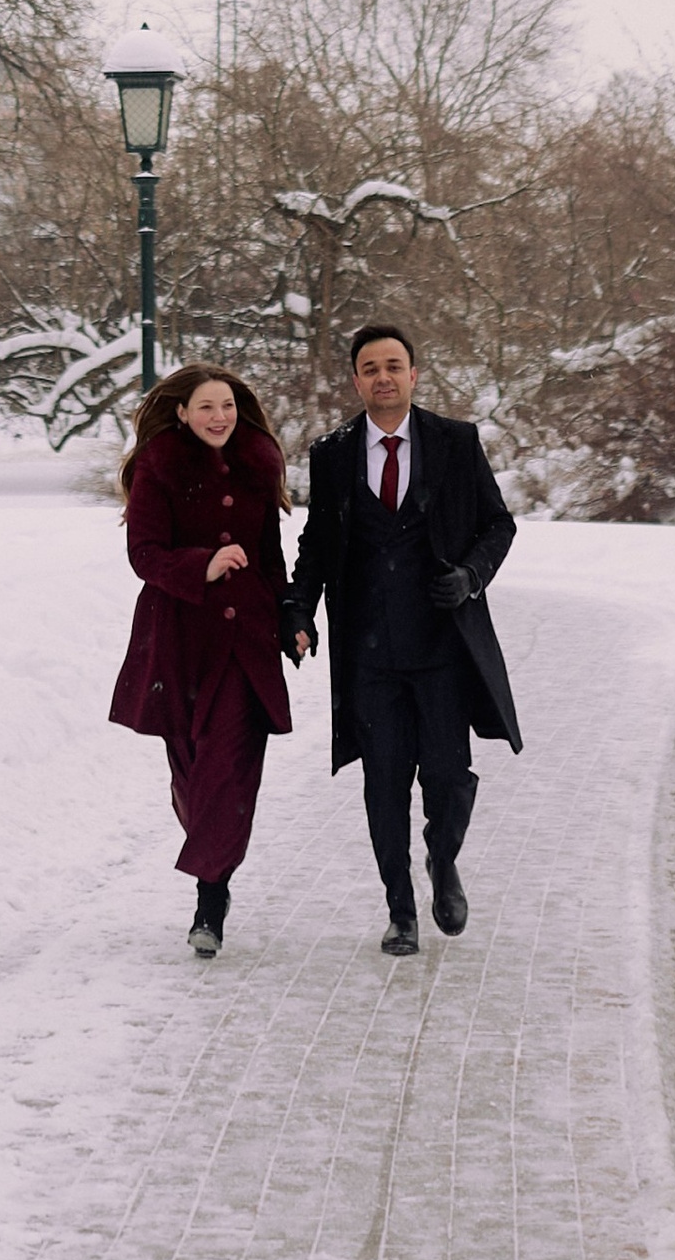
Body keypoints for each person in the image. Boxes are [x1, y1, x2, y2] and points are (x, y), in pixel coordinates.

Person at [283, 321, 519, 955]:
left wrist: (470, 575)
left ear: (414, 376)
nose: (383, 377)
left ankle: (443, 863)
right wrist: (298, 609)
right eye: (370, 368)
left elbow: (500, 525)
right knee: (383, 783)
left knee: (447, 776)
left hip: (442, 649)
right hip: (368, 655)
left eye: (394, 366)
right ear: (356, 380)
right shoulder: (332, 454)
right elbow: (317, 545)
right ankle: (400, 911)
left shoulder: (455, 442)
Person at [108, 362, 295, 957]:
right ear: (183, 413)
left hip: (247, 645)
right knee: (192, 768)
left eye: (229, 407)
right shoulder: (159, 467)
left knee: (228, 765)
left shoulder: (258, 466)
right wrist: (202, 566)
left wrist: (291, 620)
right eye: (207, 407)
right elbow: (144, 554)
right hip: (181, 641)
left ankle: (209, 900)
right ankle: (211, 865)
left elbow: (271, 558)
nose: (220, 417)